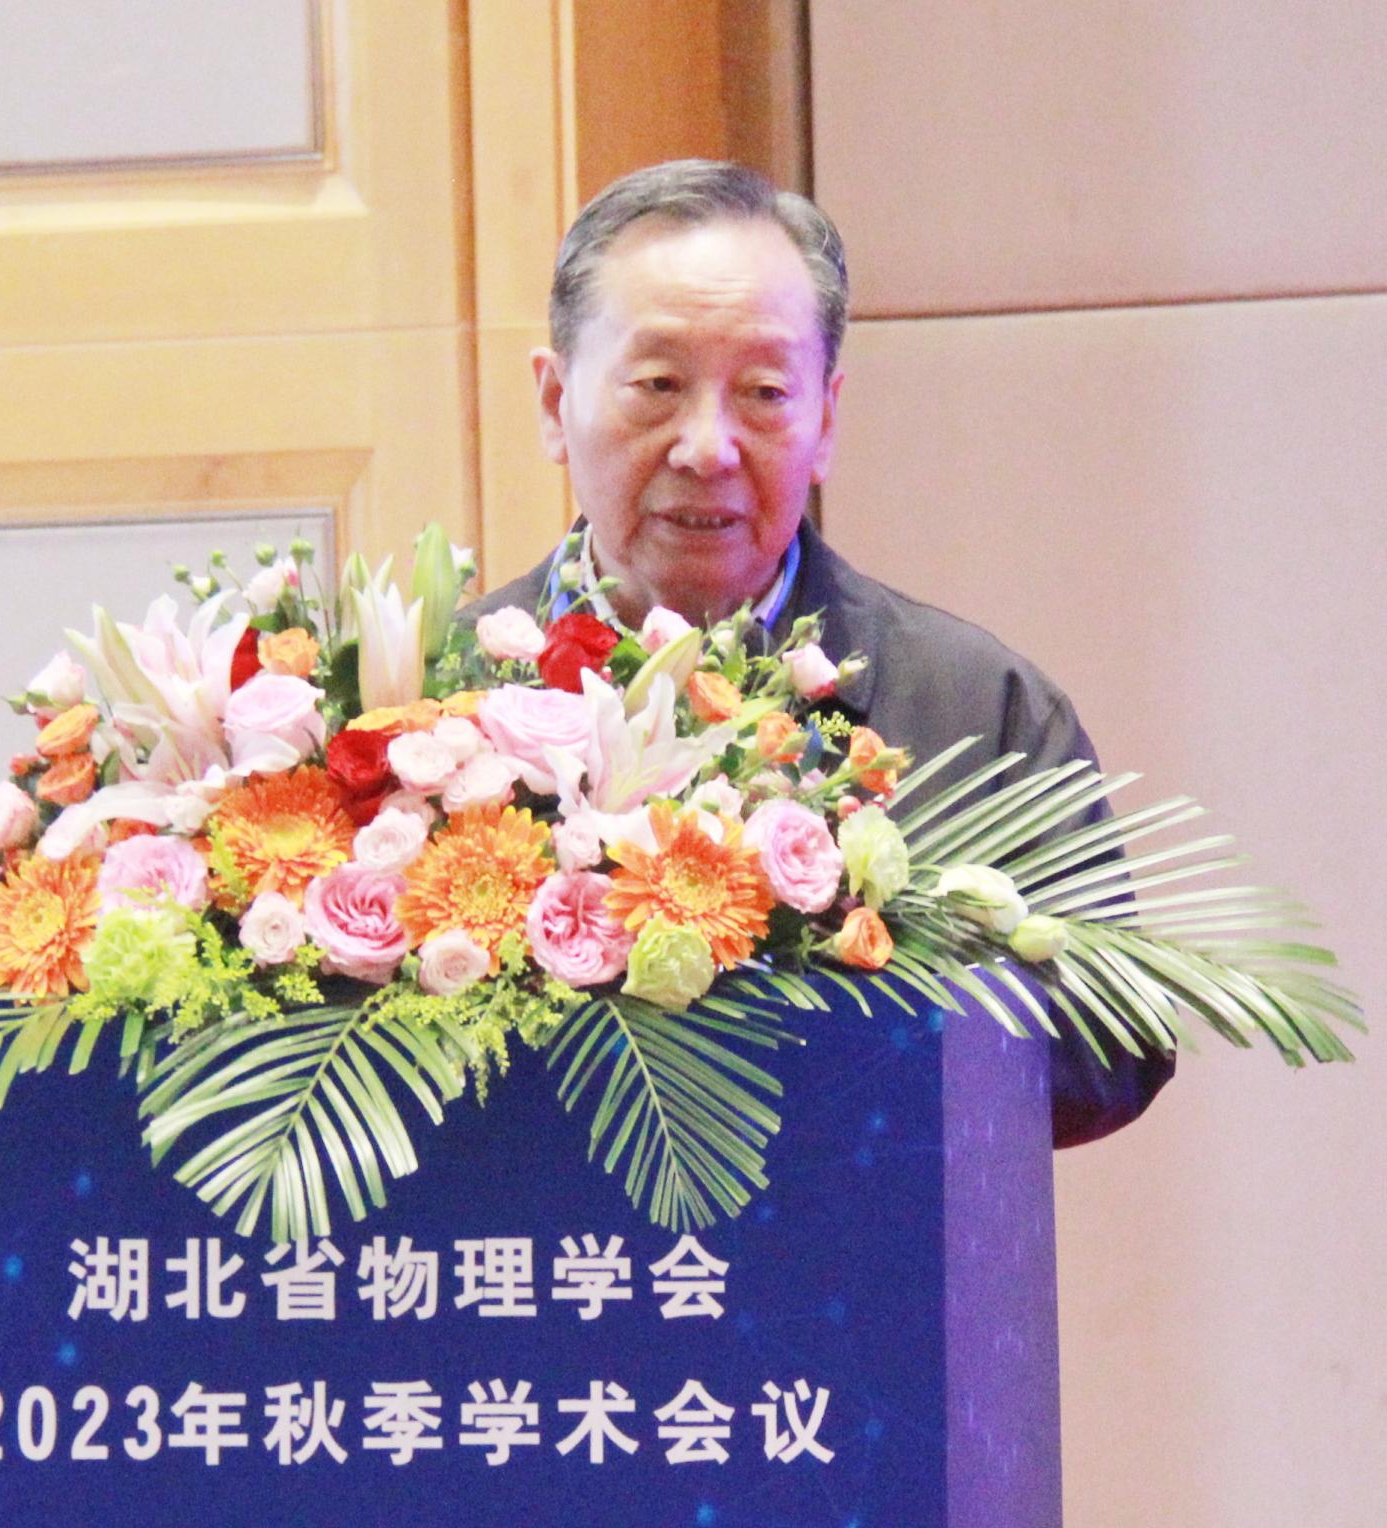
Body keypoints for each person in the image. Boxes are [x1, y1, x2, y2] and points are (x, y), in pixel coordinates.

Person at [466, 158, 1171, 1146]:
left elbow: (1113, 1044)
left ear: (827, 419)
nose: (707, 446)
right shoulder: (419, 715)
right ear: (554, 403)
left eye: (763, 392)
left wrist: (839, 1011)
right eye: (658, 385)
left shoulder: (977, 709)